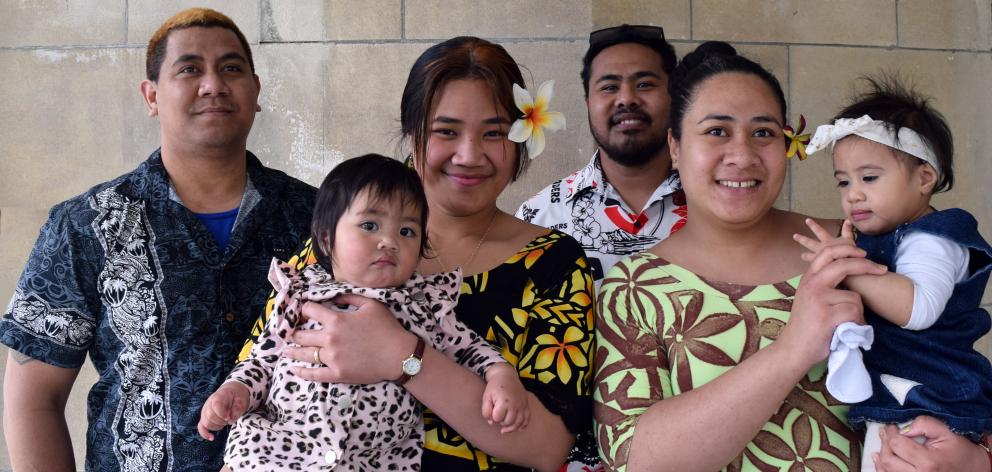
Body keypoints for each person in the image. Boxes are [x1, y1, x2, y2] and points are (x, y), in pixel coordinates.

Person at [592, 41, 992, 472]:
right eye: (716, 131)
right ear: (675, 146)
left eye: (763, 132)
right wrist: (794, 348)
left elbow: (951, 366)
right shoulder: (633, 288)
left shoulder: (855, 246)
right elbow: (632, 461)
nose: (743, 156)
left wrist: (975, 460)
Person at [240, 37, 599, 471]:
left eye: (494, 133)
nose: (469, 155)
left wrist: (402, 356)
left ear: (521, 137)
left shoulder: (553, 265)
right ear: (412, 135)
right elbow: (257, 373)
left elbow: (546, 446)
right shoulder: (341, 244)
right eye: (446, 131)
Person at [0, 8, 315, 472]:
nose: (213, 84)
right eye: (189, 69)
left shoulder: (321, 218)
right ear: (151, 96)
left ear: (256, 90)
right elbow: (33, 400)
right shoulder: (85, 225)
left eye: (231, 68)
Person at [199, 154, 528, 470]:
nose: (389, 241)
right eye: (370, 225)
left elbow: (469, 348)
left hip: (371, 462)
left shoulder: (425, 304)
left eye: (407, 231)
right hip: (278, 454)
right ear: (327, 239)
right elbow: (263, 359)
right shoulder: (299, 293)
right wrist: (236, 390)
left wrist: (500, 375)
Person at [796, 77, 992, 470]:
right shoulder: (887, 236)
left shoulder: (933, 239)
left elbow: (917, 308)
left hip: (931, 401)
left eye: (869, 178)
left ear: (924, 179)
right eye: (843, 182)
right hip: (903, 397)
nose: (853, 194)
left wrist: (846, 268)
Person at [516, 24, 685, 290]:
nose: (626, 99)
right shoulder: (539, 217)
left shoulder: (717, 205)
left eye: (644, 84)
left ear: (674, 96)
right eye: (609, 87)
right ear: (587, 103)